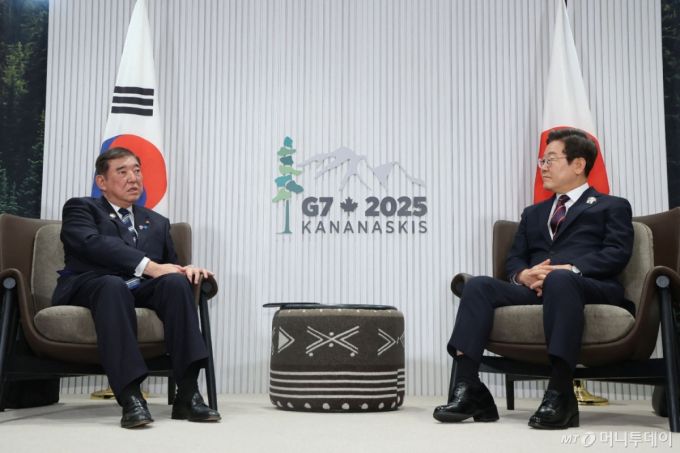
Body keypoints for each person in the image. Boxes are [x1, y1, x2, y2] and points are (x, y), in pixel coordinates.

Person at [433, 128, 634, 429]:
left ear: (579, 164)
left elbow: (617, 253)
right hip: (537, 288)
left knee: (560, 280)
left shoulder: (612, 205)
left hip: (588, 285)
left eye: (551, 159)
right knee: (478, 286)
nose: (543, 167)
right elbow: (514, 259)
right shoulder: (533, 213)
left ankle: (560, 391)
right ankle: (469, 386)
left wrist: (569, 269)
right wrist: (523, 275)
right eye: (542, 161)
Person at [52, 147, 221, 429]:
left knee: (176, 284)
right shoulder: (81, 208)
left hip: (139, 289)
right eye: (122, 171)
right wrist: (149, 266)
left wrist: (186, 270)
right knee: (112, 286)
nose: (133, 178)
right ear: (102, 182)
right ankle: (131, 396)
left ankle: (188, 393)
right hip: (92, 284)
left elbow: (168, 267)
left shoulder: (157, 222)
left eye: (137, 170)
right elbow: (91, 243)